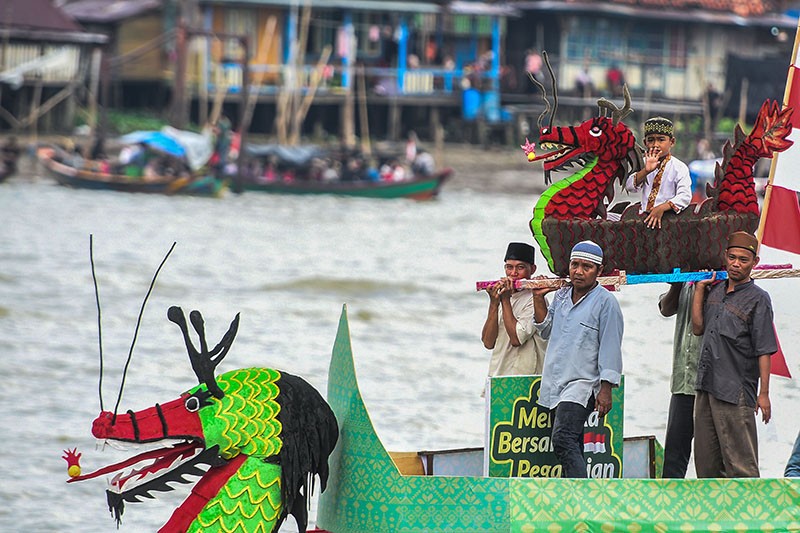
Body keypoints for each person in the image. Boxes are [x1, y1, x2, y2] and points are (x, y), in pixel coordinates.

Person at [532, 240, 624, 478]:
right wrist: (538, 298)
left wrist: (606, 389)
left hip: (582, 384)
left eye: (587, 267)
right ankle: (575, 502)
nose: (579, 272)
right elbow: (544, 330)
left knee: (562, 438)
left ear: (599, 272)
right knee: (573, 442)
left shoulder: (606, 302)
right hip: (556, 381)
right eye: (575, 265)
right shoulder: (561, 296)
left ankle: (583, 497)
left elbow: (611, 346)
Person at [691, 231, 777, 478]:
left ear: (754, 263)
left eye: (743, 260)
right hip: (706, 386)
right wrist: (699, 290)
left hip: (735, 392)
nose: (736, 264)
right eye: (732, 258)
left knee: (741, 466)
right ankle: (712, 516)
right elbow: (698, 328)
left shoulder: (759, 299)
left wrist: (764, 394)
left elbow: (764, 350)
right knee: (706, 466)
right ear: (725, 257)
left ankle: (751, 515)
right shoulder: (715, 291)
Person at [481, 243, 548, 394]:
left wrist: (505, 301)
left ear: (533, 269)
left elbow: (517, 338)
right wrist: (494, 303)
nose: (513, 273)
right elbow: (488, 342)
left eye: (520, 267)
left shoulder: (535, 299)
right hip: (498, 378)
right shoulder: (502, 295)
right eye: (509, 267)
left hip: (526, 382)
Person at [658, 282, 702, 478]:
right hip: (682, 381)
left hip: (708, 385)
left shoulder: (720, 282)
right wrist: (677, 282)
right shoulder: (686, 282)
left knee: (710, 454)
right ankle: (669, 503)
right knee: (675, 452)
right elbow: (666, 309)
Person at [626, 117, 692, 230]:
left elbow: (685, 196)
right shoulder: (643, 163)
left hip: (669, 221)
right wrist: (646, 171)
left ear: (672, 142)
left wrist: (661, 208)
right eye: (651, 140)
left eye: (661, 140)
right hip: (643, 219)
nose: (655, 144)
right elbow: (629, 187)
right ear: (644, 142)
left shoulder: (679, 167)